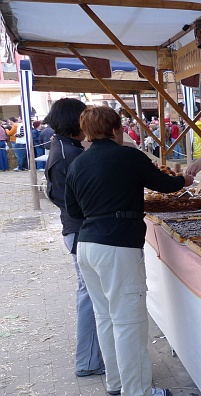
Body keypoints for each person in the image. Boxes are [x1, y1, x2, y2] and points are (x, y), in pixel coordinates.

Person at [65, 106, 194, 396]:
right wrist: (186, 181)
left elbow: (73, 211)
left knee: (106, 317)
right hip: (117, 247)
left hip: (87, 245)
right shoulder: (128, 155)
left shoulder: (78, 164)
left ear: (87, 132)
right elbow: (164, 184)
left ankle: (117, 381)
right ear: (116, 130)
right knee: (129, 320)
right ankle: (137, 392)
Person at [44, 99, 106, 379]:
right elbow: (69, 200)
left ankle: (91, 357)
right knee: (90, 296)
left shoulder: (66, 149)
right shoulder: (67, 155)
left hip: (77, 230)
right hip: (80, 231)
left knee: (90, 294)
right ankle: (89, 360)